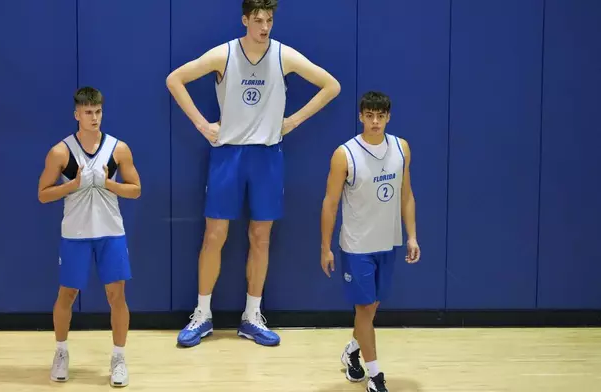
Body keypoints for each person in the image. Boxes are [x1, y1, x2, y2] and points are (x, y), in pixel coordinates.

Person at [166, 0, 341, 347]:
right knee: (214, 235)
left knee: (261, 237)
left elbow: (331, 86)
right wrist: (203, 125)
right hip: (227, 155)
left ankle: (252, 315)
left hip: (268, 156)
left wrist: (292, 121)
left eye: (270, 20)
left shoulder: (283, 56)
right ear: (245, 20)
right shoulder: (224, 55)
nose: (264, 26)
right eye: (258, 19)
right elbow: (175, 79)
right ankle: (202, 315)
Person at [37, 87, 142, 387]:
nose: (94, 117)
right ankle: (60, 353)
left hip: (111, 233)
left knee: (116, 295)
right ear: (76, 115)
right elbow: (42, 194)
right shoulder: (61, 151)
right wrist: (73, 185)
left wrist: (110, 184)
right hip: (76, 234)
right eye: (87, 112)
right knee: (66, 295)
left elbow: (136, 189)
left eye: (97, 112)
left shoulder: (118, 148)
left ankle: (119, 358)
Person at [320, 91, 420, 392]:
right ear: (361, 117)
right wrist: (325, 246)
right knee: (364, 310)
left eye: (381, 116)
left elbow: (406, 194)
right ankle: (375, 377)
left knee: (372, 307)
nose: (375, 121)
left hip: (388, 243)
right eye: (369, 116)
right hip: (356, 246)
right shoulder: (345, 154)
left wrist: (412, 235)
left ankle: (353, 349)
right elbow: (330, 203)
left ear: (388, 117)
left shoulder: (401, 149)